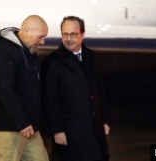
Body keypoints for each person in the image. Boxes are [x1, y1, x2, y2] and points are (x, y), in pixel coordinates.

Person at [41, 16, 111, 161]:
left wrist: (105, 120)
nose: (69, 38)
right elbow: (50, 100)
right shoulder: (52, 62)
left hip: (94, 128)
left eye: (73, 34)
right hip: (69, 132)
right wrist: (57, 130)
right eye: (65, 34)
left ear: (82, 34)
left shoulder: (93, 57)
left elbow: (100, 90)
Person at [0, 15, 49, 161]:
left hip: (30, 128)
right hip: (8, 129)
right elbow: (5, 91)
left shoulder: (27, 52)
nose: (43, 41)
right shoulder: (4, 52)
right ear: (27, 30)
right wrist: (22, 121)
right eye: (40, 36)